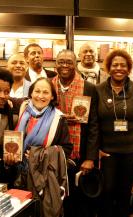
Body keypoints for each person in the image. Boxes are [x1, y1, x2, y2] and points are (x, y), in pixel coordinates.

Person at [97, 49, 133, 217]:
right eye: (115, 65)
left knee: (125, 191)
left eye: (123, 65)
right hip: (107, 152)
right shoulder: (98, 90)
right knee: (107, 190)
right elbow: (94, 123)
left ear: (128, 68)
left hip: (131, 152)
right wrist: (96, 149)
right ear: (108, 68)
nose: (118, 68)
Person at [13, 77, 72, 217]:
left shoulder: (59, 118)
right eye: (37, 91)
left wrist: (39, 155)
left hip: (43, 177)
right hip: (19, 173)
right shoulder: (23, 110)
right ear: (31, 93)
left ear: (52, 96)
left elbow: (67, 149)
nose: (40, 96)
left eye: (45, 92)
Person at [51, 49, 99, 217]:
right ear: (55, 64)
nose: (65, 65)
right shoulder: (48, 85)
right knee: (57, 197)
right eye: (61, 61)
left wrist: (90, 157)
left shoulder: (89, 88)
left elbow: (93, 125)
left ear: (75, 64)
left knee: (79, 201)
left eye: (69, 62)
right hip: (55, 153)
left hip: (80, 153)